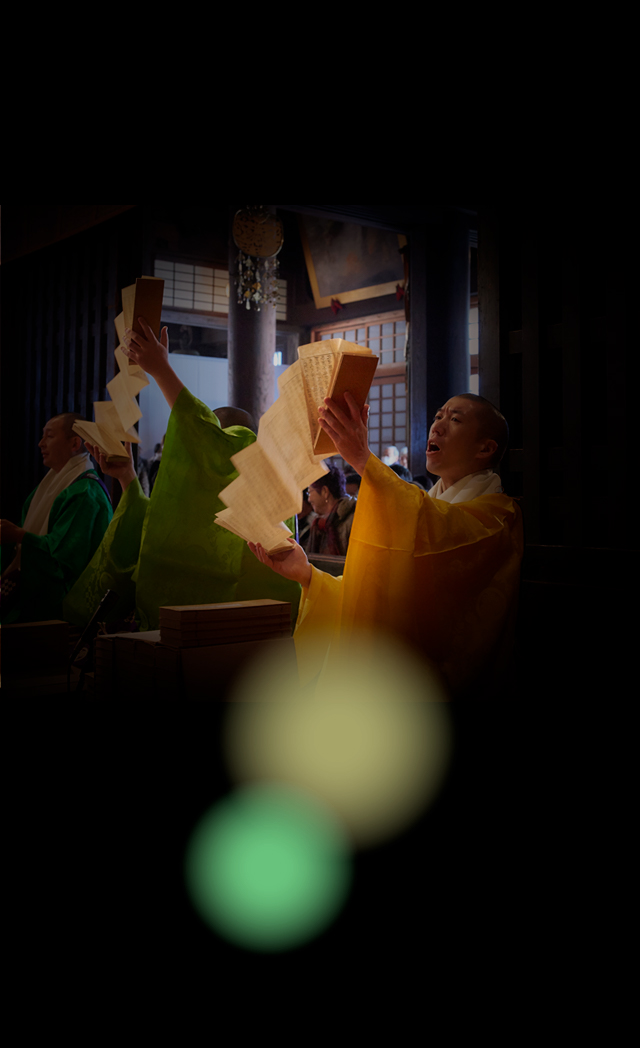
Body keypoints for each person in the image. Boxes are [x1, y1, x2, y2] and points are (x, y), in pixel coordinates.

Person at [250, 391, 523, 699]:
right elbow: (372, 594)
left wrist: (364, 461)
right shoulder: (429, 505)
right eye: (438, 416)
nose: (438, 427)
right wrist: (309, 575)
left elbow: (439, 528)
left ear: (485, 448)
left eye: (455, 419)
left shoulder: (497, 519)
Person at [63, 320, 301, 632]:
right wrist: (128, 480)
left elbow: (214, 443)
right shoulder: (206, 489)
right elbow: (158, 527)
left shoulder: (254, 459)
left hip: (254, 619)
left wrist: (162, 370)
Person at [1, 413, 113, 623]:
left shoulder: (84, 492)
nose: (40, 443)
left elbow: (64, 561)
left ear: (74, 443)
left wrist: (18, 535)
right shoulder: (48, 486)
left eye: (49, 436)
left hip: (63, 613)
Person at [305, 466, 357, 557]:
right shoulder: (320, 524)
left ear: (325, 491)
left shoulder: (353, 519)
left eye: (310, 492)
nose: (309, 499)